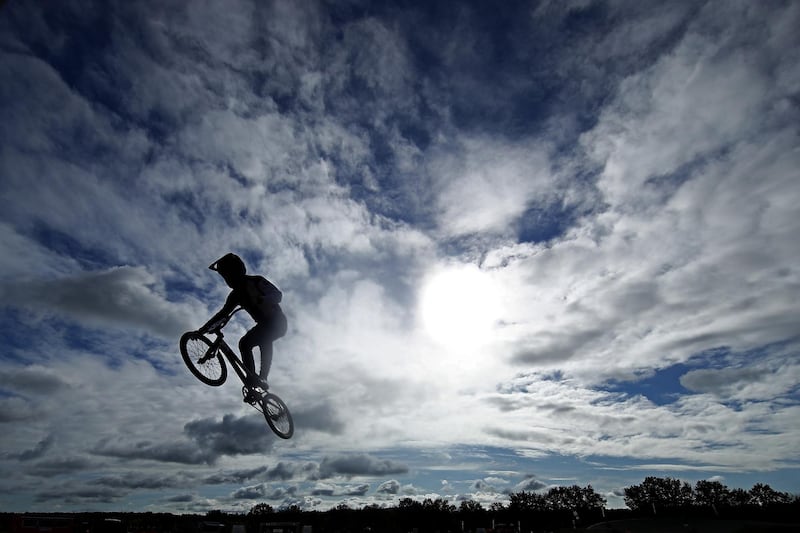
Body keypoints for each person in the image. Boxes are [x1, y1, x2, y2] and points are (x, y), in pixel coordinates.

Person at [199, 253, 287, 402]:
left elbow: (277, 295)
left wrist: (263, 299)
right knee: (246, 343)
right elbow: (223, 314)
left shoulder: (256, 281)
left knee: (254, 341)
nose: (227, 279)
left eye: (227, 275)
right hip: (264, 325)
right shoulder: (235, 296)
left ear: (236, 271)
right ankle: (253, 384)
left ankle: (262, 378)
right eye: (224, 277)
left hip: (277, 322)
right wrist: (203, 330)